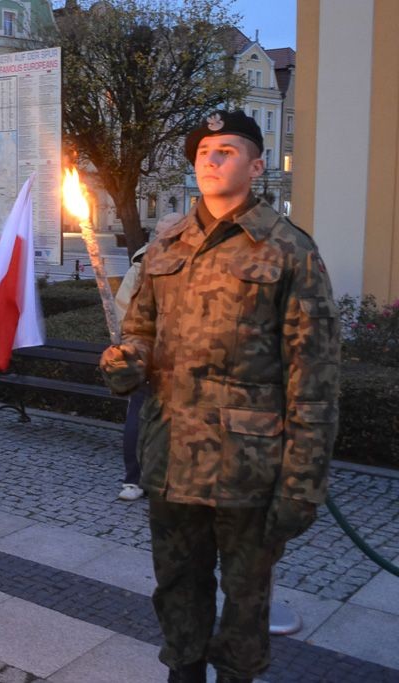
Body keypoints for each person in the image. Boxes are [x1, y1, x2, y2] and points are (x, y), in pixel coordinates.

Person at [99, 110, 340, 683]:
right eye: (204, 150)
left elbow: (316, 377)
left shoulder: (289, 250)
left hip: (248, 470)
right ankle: (182, 672)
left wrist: (302, 483)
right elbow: (140, 332)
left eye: (226, 150)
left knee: (246, 599)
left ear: (256, 166)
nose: (211, 158)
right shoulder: (166, 247)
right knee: (177, 587)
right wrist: (124, 361)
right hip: (171, 457)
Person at [112, 211, 184, 502]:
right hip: (151, 356)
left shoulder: (187, 263)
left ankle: (159, 478)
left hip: (175, 357)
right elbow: (124, 311)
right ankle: (135, 478)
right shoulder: (143, 267)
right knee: (141, 415)